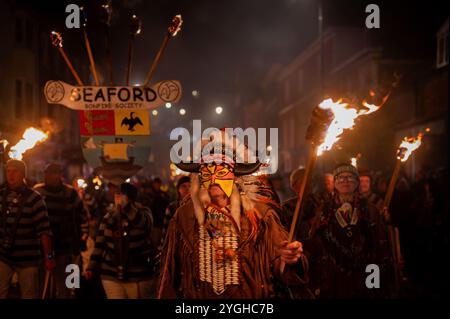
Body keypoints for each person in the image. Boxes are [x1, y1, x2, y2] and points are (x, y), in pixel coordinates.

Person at [158, 135, 310, 298]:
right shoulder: (185, 215)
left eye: (222, 172)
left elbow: (280, 263)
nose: (214, 178)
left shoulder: (260, 215)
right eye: (207, 172)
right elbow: (170, 273)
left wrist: (288, 258)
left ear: (235, 177)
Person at [303, 163, 390, 298]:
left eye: (350, 177)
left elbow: (379, 245)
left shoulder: (370, 209)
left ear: (357, 182)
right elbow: (315, 241)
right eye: (340, 178)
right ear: (335, 182)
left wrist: (375, 281)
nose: (345, 181)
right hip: (333, 272)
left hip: (364, 269)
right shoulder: (323, 209)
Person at [86, 183, 154, 299]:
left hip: (137, 274)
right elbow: (100, 244)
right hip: (111, 274)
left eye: (121, 194)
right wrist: (91, 266)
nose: (118, 197)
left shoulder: (143, 212)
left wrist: (127, 208)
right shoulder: (109, 216)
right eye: (117, 194)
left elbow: (144, 224)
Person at [0, 159, 55, 299]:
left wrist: (49, 257)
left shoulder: (35, 198)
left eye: (15, 172)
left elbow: (44, 230)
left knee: (29, 295)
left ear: (23, 174)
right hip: (3, 257)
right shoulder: (1, 196)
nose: (11, 175)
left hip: (28, 260)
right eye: (8, 171)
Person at [33, 162, 89, 298]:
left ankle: (73, 293)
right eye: (47, 173)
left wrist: (82, 238)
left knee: (68, 285)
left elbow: (83, 216)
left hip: (67, 246)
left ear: (59, 175)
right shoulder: (37, 191)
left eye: (53, 173)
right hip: (43, 247)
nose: (50, 176)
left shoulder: (71, 193)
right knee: (41, 286)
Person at [158, 175, 191, 251]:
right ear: (179, 189)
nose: (187, 189)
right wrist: (162, 247)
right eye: (184, 186)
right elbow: (166, 229)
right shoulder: (172, 207)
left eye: (190, 186)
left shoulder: (198, 208)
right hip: (176, 247)